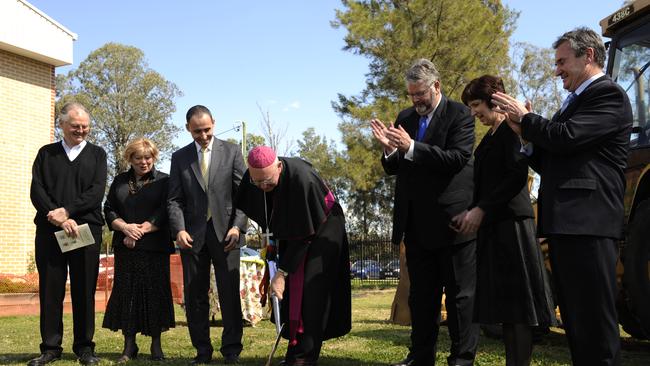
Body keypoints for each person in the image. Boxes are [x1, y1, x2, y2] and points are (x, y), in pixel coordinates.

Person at [491, 27, 633, 365]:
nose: (556, 71)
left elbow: (566, 137)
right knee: (577, 324)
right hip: (567, 227)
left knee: (595, 327)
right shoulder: (575, 103)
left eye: (561, 62)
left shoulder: (608, 95)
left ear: (589, 57)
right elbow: (553, 156)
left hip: (590, 225)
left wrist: (526, 120)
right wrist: (524, 137)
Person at [370, 59, 479, 366]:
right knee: (421, 297)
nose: (415, 100)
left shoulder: (459, 114)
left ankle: (461, 358)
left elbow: (457, 159)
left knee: (459, 298)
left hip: (452, 223)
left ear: (436, 86)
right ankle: (420, 357)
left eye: (420, 94)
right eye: (411, 94)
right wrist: (389, 149)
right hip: (416, 225)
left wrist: (411, 147)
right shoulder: (404, 117)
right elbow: (395, 168)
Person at [453, 75, 556, 366]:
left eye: (476, 105)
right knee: (508, 310)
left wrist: (481, 209)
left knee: (519, 310)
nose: (473, 113)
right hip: (495, 227)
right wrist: (469, 211)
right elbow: (485, 182)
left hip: (512, 227)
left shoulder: (513, 130)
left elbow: (515, 178)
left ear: (494, 100)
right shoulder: (491, 136)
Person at [235, 146, 351, 366]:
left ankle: (303, 357)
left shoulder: (302, 180)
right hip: (296, 231)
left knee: (310, 290)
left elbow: (303, 235)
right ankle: (295, 348)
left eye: (267, 181)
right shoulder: (256, 179)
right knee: (291, 294)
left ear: (279, 166)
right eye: (257, 182)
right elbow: (270, 217)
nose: (263, 187)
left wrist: (281, 273)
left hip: (324, 228)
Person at [28, 102, 107, 366]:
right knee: (51, 290)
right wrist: (57, 216)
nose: (81, 131)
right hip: (51, 230)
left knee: (84, 289)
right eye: (75, 126)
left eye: (85, 127)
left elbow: (96, 192)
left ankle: (85, 348)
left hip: (86, 230)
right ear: (61, 125)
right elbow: (37, 191)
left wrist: (68, 212)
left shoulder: (97, 154)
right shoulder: (46, 154)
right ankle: (50, 347)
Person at [167, 105, 247, 365]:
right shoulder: (179, 158)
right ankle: (202, 351)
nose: (203, 135)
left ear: (214, 122)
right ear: (187, 128)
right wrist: (179, 229)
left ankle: (232, 350)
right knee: (195, 295)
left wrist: (237, 226)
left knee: (229, 293)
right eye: (197, 131)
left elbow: (244, 195)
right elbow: (174, 200)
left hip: (227, 235)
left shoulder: (232, 151)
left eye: (207, 129)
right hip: (192, 236)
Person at [102, 138, 175, 362]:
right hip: (126, 248)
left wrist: (142, 230)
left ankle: (156, 346)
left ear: (153, 157)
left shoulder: (165, 181)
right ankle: (129, 346)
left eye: (148, 157)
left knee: (155, 295)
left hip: (154, 247)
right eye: (138, 158)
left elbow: (167, 209)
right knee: (128, 296)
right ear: (130, 159)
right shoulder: (119, 181)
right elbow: (109, 209)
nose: (143, 162)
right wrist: (125, 228)